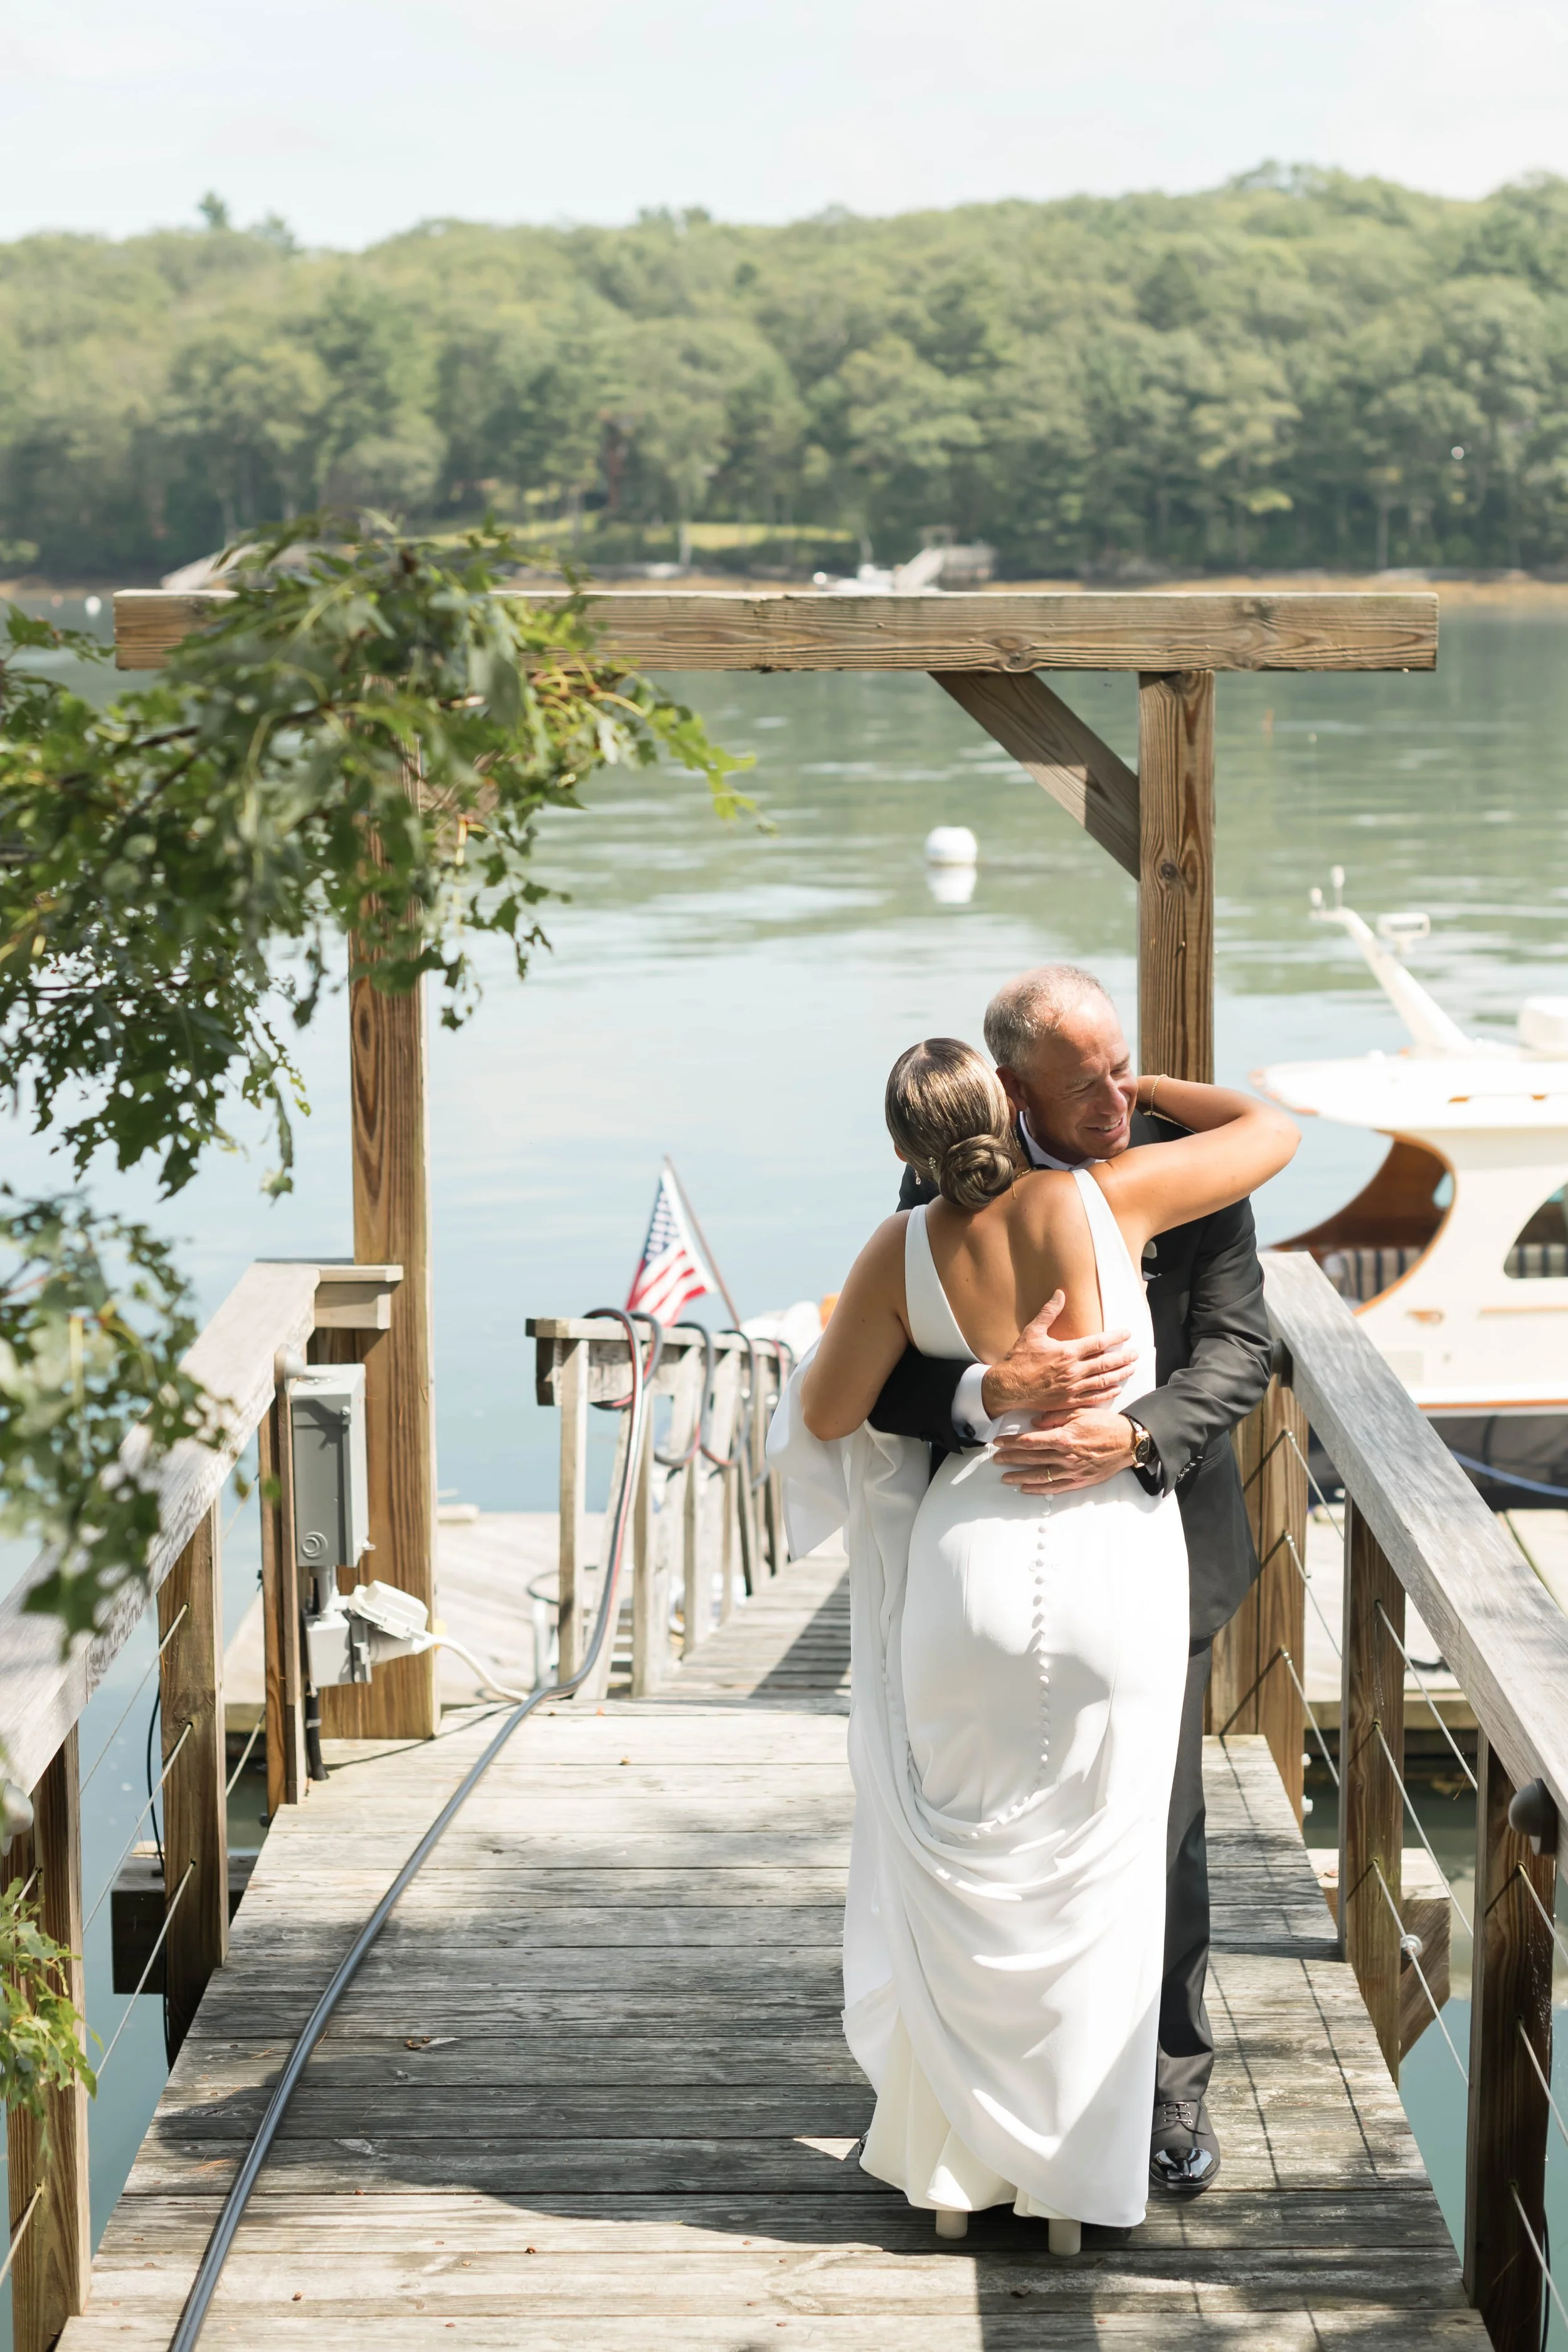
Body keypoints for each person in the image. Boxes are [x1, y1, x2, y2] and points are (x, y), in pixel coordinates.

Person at [771, 1028, 1295, 2245]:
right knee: (1103, 1884)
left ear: (907, 1143)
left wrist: (984, 1387)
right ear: (1007, 1107)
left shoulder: (899, 1242)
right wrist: (1159, 1082)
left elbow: (827, 1408)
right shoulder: (1099, 1197)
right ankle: (1075, 2180)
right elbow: (1269, 1132)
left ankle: (958, 2169)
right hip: (1110, 1565)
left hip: (965, 1578)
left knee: (961, 1879)